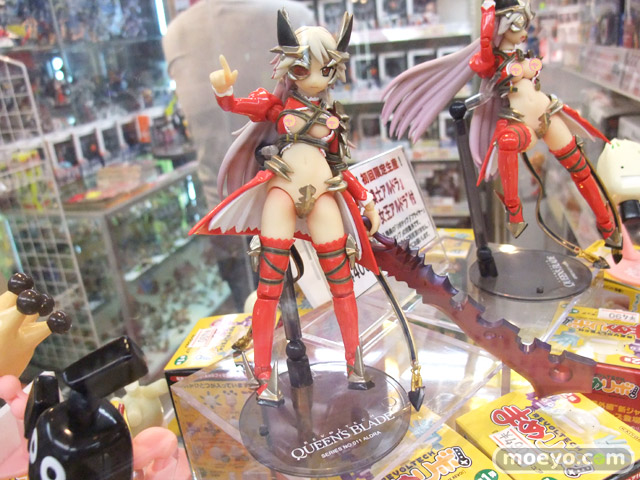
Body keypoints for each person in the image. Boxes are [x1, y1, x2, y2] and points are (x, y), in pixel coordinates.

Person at [189, 10, 381, 405]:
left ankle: (355, 364)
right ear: (291, 66)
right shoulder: (278, 106)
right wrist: (224, 92)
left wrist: (365, 198)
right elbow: (236, 106)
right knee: (268, 290)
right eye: (307, 67)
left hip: (323, 193)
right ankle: (264, 376)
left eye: (326, 69)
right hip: (282, 193)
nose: (317, 78)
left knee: (342, 285)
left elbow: (339, 166)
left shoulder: (332, 117)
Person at [382, 0, 621, 247]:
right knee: (507, 142)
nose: (524, 32)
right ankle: (514, 211)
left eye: (525, 25)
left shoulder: (522, 55)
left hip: (547, 112)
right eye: (518, 25)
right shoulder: (491, 60)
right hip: (521, 122)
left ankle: (608, 226)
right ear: (502, 26)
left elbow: (532, 69)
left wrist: (529, 64)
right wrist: (488, 14)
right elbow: (486, 50)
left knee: (580, 168)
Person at [163, 1, 314, 312]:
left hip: (260, 204)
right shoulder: (296, 15)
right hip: (244, 207)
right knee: (270, 304)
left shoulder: (178, 30)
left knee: (276, 302)